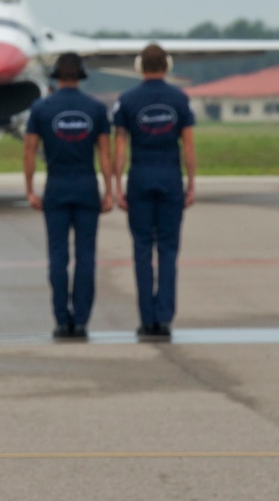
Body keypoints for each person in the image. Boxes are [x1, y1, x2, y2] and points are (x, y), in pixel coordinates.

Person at [23, 52, 113, 340]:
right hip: (86, 186)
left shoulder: (41, 108)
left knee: (58, 257)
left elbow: (29, 151)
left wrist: (29, 189)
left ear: (56, 76)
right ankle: (82, 321)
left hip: (56, 187)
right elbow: (105, 153)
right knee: (86, 257)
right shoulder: (96, 109)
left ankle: (62, 321)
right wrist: (109, 190)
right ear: (81, 76)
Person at [112, 43, 196, 341]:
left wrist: (116, 185)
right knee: (168, 251)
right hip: (170, 176)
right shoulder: (180, 100)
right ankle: (164, 318)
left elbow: (119, 146)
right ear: (168, 66)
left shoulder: (127, 100)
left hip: (140, 177)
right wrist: (192, 183)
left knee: (142, 250)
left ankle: (146, 319)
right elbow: (188, 145)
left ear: (139, 67)